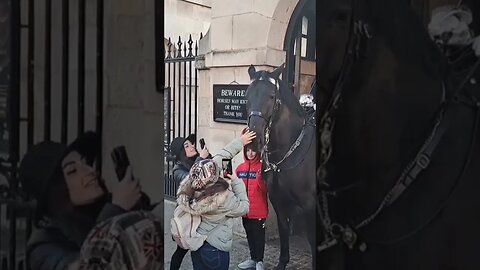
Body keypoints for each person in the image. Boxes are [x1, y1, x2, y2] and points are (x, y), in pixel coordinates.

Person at [18, 131, 150, 270]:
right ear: (55, 191)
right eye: (72, 171)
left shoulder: (100, 211)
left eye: (85, 162)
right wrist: (116, 210)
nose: (89, 170)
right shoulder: (44, 248)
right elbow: (88, 266)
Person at [168, 130, 256, 270]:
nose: (192, 146)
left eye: (191, 144)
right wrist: (235, 181)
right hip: (209, 243)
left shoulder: (189, 185)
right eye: (186, 146)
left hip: (199, 239)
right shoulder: (221, 199)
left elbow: (216, 162)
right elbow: (244, 207)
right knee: (179, 253)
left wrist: (240, 141)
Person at [176, 159, 249, 270]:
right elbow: (244, 207)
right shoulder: (223, 198)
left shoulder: (191, 191)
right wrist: (235, 181)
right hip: (216, 247)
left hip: (197, 244)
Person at [235, 145, 268, 270]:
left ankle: (260, 261)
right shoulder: (240, 168)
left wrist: (260, 178)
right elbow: (235, 187)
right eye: (247, 150)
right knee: (250, 236)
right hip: (245, 211)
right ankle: (253, 259)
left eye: (253, 150)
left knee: (259, 238)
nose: (250, 153)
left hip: (259, 211)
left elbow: (266, 190)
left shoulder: (262, 168)